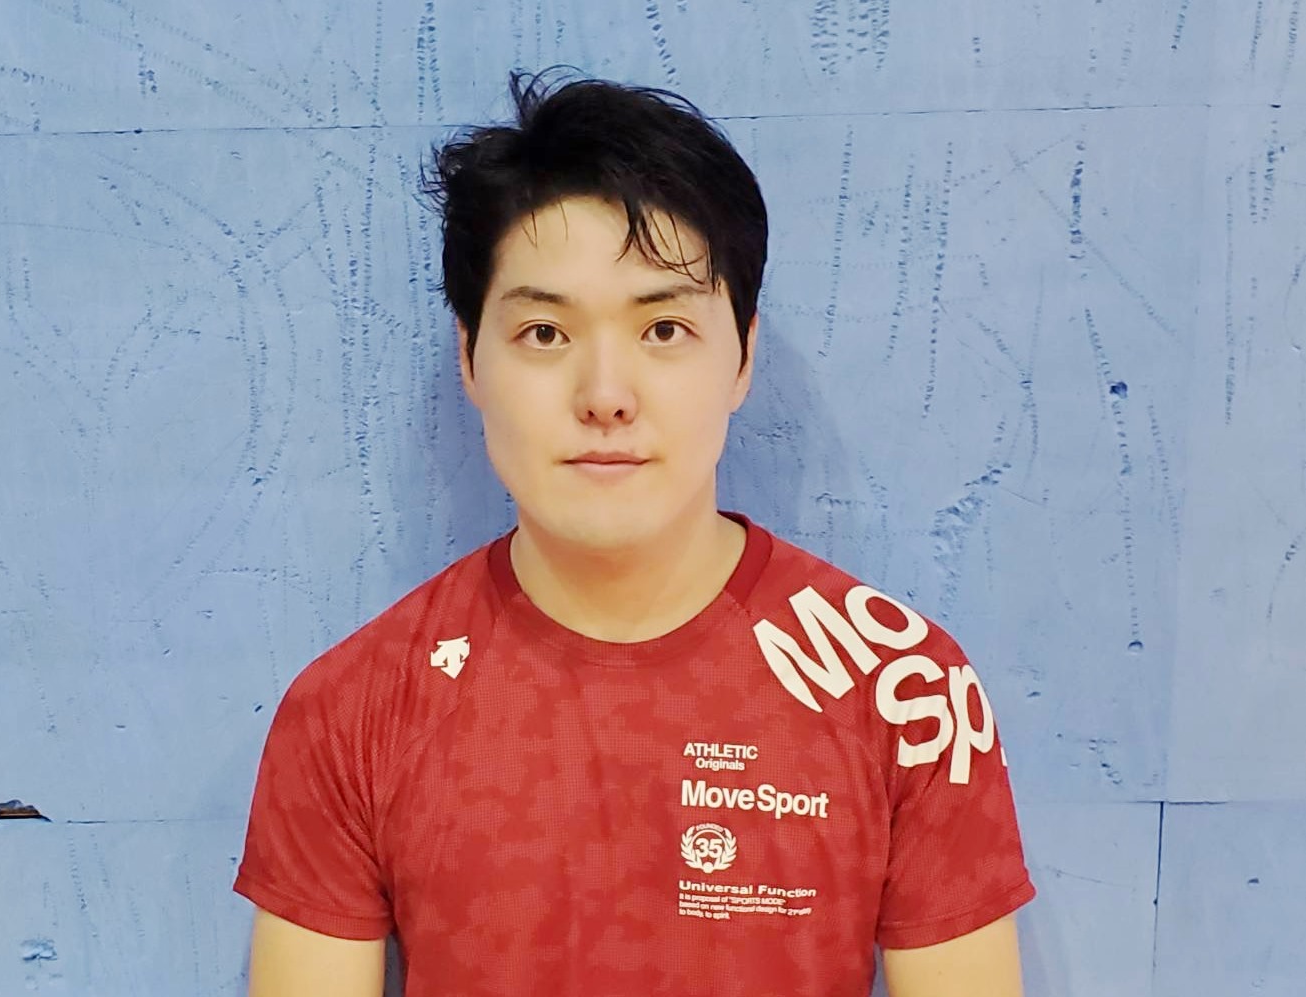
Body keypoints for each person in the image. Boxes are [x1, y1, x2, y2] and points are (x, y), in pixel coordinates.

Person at [234, 68, 1035, 997]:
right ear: (470, 359)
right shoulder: (353, 708)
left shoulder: (902, 687)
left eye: (662, 330)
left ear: (742, 356)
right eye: (544, 333)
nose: (605, 395)